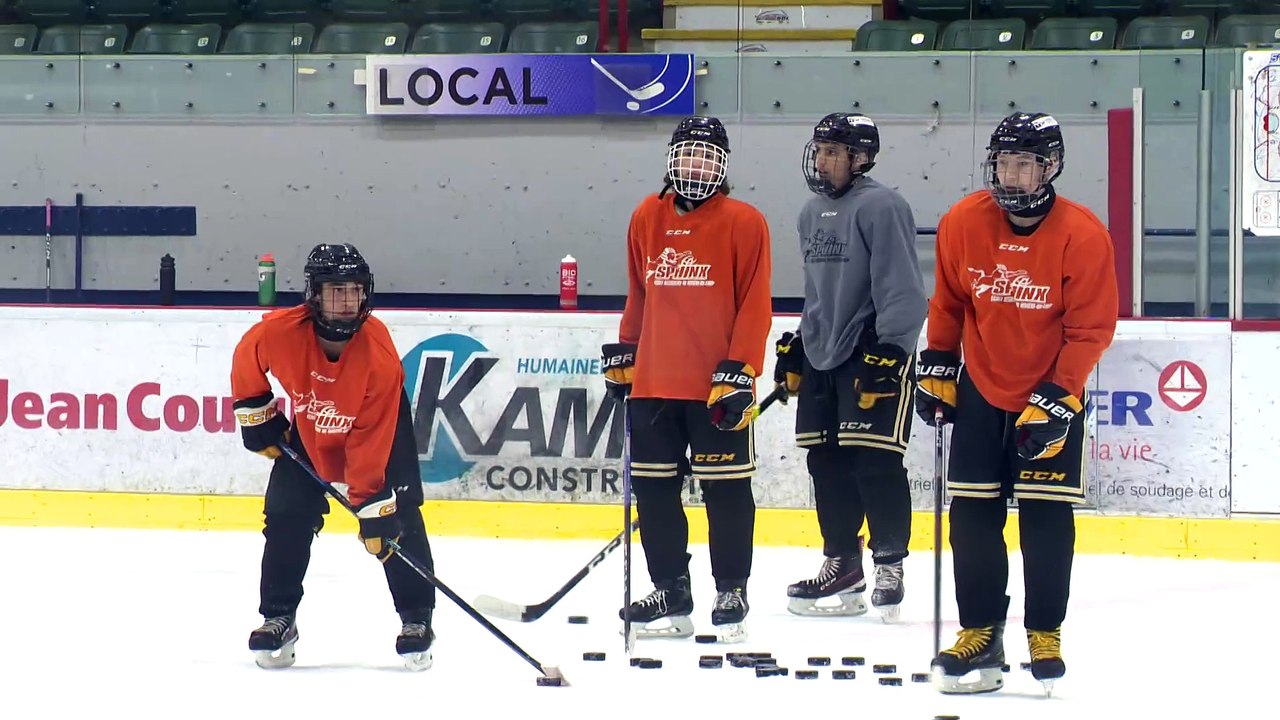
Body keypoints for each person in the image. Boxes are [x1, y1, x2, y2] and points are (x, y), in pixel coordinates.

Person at [917, 112, 1117, 695]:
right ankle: (981, 630)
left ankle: (1044, 630)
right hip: (982, 382)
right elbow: (950, 301)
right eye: (1003, 162)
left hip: (1050, 389)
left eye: (1024, 163)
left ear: (1050, 167)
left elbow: (1091, 328)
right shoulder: (962, 220)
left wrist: (1059, 394)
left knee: (1044, 514)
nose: (1011, 174)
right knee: (973, 515)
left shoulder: (1082, 234)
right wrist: (937, 362)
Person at [601, 116, 772, 643]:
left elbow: (756, 304)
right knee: (654, 493)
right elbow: (639, 293)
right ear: (673, 159)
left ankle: (731, 588)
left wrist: (742, 369)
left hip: (717, 387)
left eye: (707, 156)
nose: (696, 165)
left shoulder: (745, 222)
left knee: (726, 491)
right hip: (654, 384)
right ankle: (671, 589)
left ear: (721, 166)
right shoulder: (645, 216)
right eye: (688, 154)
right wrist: (627, 350)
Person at [231, 243, 437, 672]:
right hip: (311, 422)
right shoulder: (279, 332)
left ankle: (417, 620)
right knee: (286, 514)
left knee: (399, 519)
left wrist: (372, 509)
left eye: (354, 291)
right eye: (335, 291)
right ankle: (278, 617)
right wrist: (257, 413)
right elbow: (247, 358)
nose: (346, 301)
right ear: (314, 294)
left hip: (378, 430)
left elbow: (368, 446)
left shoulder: (380, 360)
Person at [774, 113, 927, 623]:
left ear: (861, 157)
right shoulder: (809, 212)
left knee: (875, 461)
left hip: (871, 350)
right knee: (826, 463)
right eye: (819, 149)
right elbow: (818, 294)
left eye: (834, 151)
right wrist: (800, 341)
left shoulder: (882, 205)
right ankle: (842, 563)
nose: (822, 160)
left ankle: (889, 564)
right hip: (823, 353)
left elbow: (902, 286)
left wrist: (894, 348)